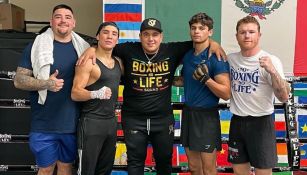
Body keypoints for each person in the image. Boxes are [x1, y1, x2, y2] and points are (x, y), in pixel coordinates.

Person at [77, 17, 225, 175]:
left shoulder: (172, 50)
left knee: (164, 161)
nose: (151, 38)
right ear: (140, 36)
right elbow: (104, 45)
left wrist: (215, 44)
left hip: (162, 119)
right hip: (134, 118)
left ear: (161, 37)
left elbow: (201, 41)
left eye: (155, 35)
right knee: (135, 161)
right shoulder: (128, 49)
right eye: (146, 34)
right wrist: (92, 48)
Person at [14, 4, 89, 175]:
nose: (63, 20)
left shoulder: (84, 49)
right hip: (44, 125)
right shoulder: (36, 46)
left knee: (66, 168)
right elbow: (18, 80)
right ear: (51, 21)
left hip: (72, 124)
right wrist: (45, 84)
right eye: (58, 16)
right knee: (46, 169)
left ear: (74, 23)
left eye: (67, 17)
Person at [227, 16, 290, 175]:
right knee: (239, 171)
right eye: (242, 32)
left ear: (259, 35)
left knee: (263, 172)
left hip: (261, 123)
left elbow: (283, 97)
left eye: (251, 32)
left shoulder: (271, 60)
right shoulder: (231, 59)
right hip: (237, 121)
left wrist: (272, 71)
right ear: (237, 36)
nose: (247, 36)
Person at [173, 12, 230, 175]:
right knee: (194, 166)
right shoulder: (188, 55)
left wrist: (207, 79)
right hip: (189, 113)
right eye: (193, 28)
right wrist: (165, 79)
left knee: (209, 167)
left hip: (207, 117)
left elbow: (226, 93)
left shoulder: (216, 57)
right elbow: (186, 80)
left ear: (210, 32)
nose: (197, 31)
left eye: (202, 28)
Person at [71, 22, 123, 175]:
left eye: (114, 34)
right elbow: (75, 92)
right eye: (105, 32)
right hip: (91, 123)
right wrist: (95, 93)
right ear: (98, 36)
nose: (109, 36)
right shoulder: (88, 62)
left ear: (117, 40)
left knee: (104, 171)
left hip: (110, 123)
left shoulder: (118, 63)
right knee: (86, 171)